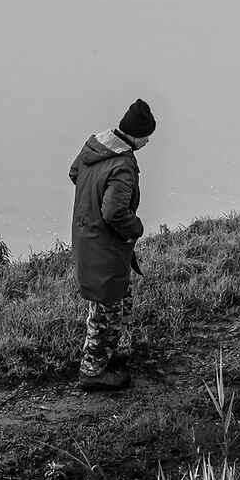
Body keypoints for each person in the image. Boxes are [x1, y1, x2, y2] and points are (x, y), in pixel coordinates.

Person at [70, 97, 155, 392]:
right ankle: (92, 371)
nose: (147, 142)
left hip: (88, 235)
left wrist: (89, 202)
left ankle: (111, 350)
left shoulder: (95, 148)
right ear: (137, 134)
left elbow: (74, 174)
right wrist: (136, 228)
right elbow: (114, 212)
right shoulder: (123, 165)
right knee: (106, 306)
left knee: (117, 296)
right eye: (147, 137)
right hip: (104, 243)